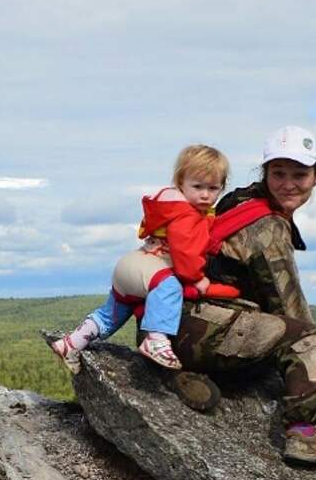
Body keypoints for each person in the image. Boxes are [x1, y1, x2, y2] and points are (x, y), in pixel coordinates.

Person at [147, 125, 316, 466]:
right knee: (309, 339)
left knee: (267, 344)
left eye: (299, 174)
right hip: (197, 325)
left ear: (315, 177)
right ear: (265, 173)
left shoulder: (237, 200)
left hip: (167, 326)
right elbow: (286, 301)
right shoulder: (266, 226)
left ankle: (183, 373)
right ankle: (303, 435)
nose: (288, 183)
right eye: (279, 173)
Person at [50, 144, 234, 372]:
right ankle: (155, 339)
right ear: (180, 183)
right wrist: (197, 279)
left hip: (131, 268)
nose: (205, 194)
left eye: (213, 188)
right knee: (170, 287)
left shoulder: (176, 209)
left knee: (111, 315)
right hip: (150, 270)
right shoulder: (186, 215)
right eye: (197, 187)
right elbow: (184, 253)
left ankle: (71, 343)